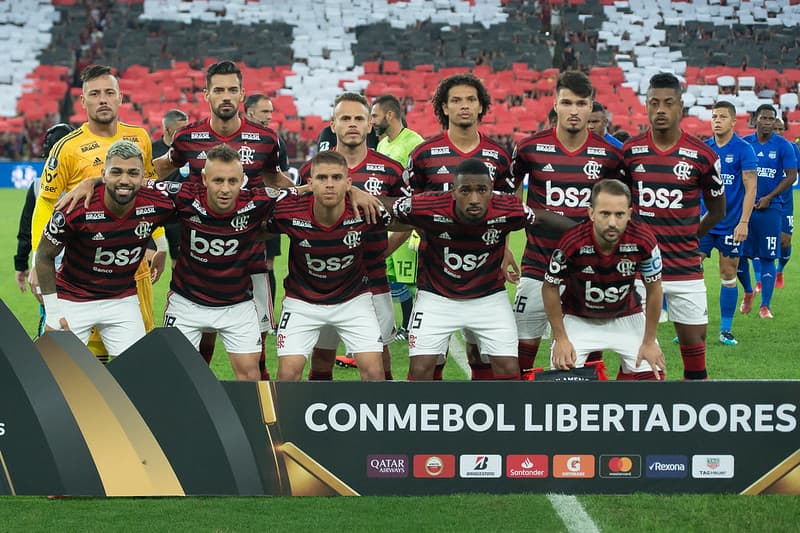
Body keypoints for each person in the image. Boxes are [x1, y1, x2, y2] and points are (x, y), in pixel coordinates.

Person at [153, 60, 293, 379]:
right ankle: (200, 411)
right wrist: (106, 179)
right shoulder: (188, 137)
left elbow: (273, 177)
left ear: (242, 94)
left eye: (232, 89)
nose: (226, 96)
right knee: (194, 354)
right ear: (207, 94)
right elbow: (159, 168)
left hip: (249, 257)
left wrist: (302, 192)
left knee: (255, 353)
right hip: (199, 257)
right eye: (219, 90)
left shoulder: (266, 139)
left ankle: (260, 418)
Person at [391, 159, 573, 380]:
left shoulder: (507, 208)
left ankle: (502, 413)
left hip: (488, 297)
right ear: (453, 193)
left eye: (482, 190)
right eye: (465, 191)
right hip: (436, 297)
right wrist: (356, 197)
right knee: (421, 369)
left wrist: (588, 230)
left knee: (508, 367)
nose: (474, 198)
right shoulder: (427, 205)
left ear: (492, 192)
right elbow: (385, 208)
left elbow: (542, 217)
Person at [29, 64, 165, 362]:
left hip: (131, 262)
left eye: (109, 92)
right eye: (95, 94)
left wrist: (160, 242)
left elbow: (149, 192)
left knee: (136, 352)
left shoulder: (139, 137)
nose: (102, 99)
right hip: (84, 264)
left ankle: (123, 405)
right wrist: (36, 257)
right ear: (83, 101)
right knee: (74, 354)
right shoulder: (66, 148)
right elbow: (46, 202)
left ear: (120, 97)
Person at [511, 71, 624, 372]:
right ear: (556, 105)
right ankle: (519, 412)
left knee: (587, 354)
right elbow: (509, 204)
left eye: (581, 103)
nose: (574, 110)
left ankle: (582, 415)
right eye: (567, 102)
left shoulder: (610, 155)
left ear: (591, 108)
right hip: (537, 264)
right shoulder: (529, 149)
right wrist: (504, 250)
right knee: (523, 346)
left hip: (588, 268)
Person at [408, 72, 515, 380]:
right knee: (427, 364)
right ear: (444, 108)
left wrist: (505, 250)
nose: (464, 106)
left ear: (482, 107)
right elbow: (409, 208)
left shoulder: (499, 156)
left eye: (471, 100)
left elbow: (507, 210)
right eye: (456, 100)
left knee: (486, 355)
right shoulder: (424, 155)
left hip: (486, 277)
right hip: (436, 276)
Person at [624, 72, 725, 380]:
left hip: (685, 269)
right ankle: (643, 422)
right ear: (646, 106)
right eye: (654, 103)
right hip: (640, 270)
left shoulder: (703, 155)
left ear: (681, 107)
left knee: (695, 354)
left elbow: (718, 210)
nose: (661, 110)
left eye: (668, 103)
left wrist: (690, 237)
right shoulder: (629, 153)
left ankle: (695, 420)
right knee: (639, 357)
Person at [299, 93, 406, 380]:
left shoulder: (391, 170)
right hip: (323, 283)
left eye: (359, 118)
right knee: (321, 358)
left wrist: (385, 252)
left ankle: (381, 420)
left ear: (370, 124)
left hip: (372, 279)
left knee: (379, 359)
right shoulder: (310, 171)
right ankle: (318, 417)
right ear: (332, 125)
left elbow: (409, 220)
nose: (352, 124)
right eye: (344, 118)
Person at [36, 140, 172, 358]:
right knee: (54, 370)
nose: (124, 180)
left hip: (121, 299)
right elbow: (44, 256)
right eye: (116, 172)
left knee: (138, 367)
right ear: (104, 173)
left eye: (133, 173)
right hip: (73, 298)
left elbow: (195, 199)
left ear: (142, 177)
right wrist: (53, 312)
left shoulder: (157, 203)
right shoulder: (75, 208)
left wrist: (163, 248)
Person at [269, 150, 387, 381]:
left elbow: (406, 220)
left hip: (353, 300)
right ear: (311, 183)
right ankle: (287, 418)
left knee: (374, 371)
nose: (330, 184)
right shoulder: (287, 211)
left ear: (348, 183)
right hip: (302, 301)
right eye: (322, 178)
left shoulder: (366, 211)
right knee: (287, 374)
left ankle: (371, 417)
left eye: (336, 178)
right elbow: (257, 219)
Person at [544, 179, 665, 380]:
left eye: (619, 215)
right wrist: (561, 338)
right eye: (605, 213)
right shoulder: (572, 242)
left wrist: (650, 341)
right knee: (564, 387)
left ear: (630, 213)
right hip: (578, 318)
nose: (612, 222)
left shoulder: (644, 240)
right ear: (591, 213)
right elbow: (549, 287)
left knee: (653, 377)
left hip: (626, 315)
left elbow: (654, 289)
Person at [700, 101, 757, 346]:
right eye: (714, 116)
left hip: (732, 223)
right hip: (704, 223)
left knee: (727, 273)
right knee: (690, 271)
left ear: (734, 121)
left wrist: (744, 222)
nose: (717, 120)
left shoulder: (744, 149)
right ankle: (692, 325)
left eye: (723, 116)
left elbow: (751, 187)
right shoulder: (704, 149)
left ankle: (725, 330)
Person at [370, 93, 424, 340]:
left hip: (408, 223)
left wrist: (415, 226)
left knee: (408, 277)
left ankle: (416, 323)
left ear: (389, 115)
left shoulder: (414, 143)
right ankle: (406, 322)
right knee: (391, 274)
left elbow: (423, 186)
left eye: (374, 115)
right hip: (385, 221)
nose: (371, 121)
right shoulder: (382, 145)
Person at [14, 122, 75, 335]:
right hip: (81, 266)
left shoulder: (38, 184)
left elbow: (26, 230)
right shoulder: (88, 182)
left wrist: (21, 265)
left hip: (47, 266)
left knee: (50, 315)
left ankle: (49, 357)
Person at [740, 104, 797, 318]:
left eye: (771, 119)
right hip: (745, 209)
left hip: (772, 208)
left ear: (775, 122)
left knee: (768, 256)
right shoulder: (745, 144)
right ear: (755, 119)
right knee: (739, 256)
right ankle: (747, 291)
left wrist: (769, 197)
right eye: (763, 118)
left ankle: (765, 306)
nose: (767, 122)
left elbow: (791, 176)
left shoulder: (784, 146)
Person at [244, 93, 289, 315]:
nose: (269, 116)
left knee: (267, 265)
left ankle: (265, 316)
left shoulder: (274, 140)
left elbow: (282, 176)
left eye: (271, 112)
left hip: (267, 214)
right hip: (237, 214)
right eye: (265, 112)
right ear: (249, 111)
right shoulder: (234, 138)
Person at [151, 108, 189, 265]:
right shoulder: (151, 150)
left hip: (178, 213)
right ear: (167, 129)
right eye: (180, 129)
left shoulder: (190, 150)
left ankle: (177, 289)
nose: (184, 133)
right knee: (147, 260)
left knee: (179, 263)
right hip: (154, 211)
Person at [772, 118, 798, 289]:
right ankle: (760, 281)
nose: (779, 132)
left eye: (781, 129)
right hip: (763, 203)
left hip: (786, 203)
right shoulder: (756, 147)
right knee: (760, 242)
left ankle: (779, 270)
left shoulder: (792, 148)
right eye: (776, 129)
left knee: (785, 241)